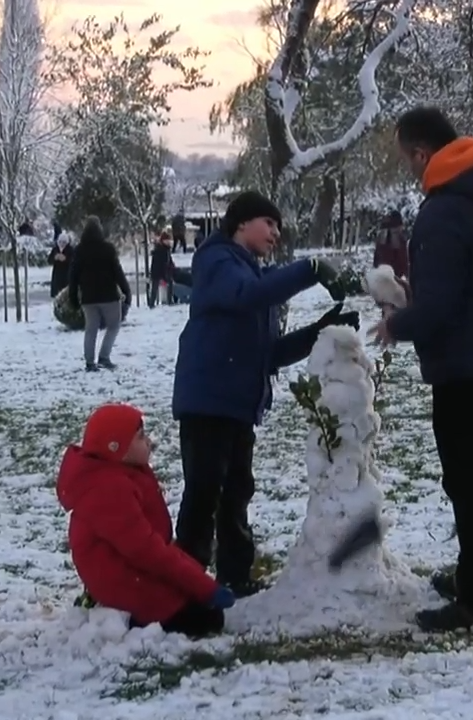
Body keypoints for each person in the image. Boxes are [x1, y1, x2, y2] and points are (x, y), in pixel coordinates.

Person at [368, 106, 473, 632]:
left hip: (467, 368)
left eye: (407, 159)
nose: (410, 170)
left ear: (422, 153)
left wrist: (397, 323)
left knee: (469, 483)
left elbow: (441, 306)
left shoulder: (444, 210)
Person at [171, 190, 355, 597]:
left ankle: (235, 575)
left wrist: (319, 332)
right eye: (268, 223)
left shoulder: (253, 276)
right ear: (241, 223)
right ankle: (184, 586)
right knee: (204, 492)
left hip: (238, 403)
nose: (275, 233)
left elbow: (268, 353)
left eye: (278, 227)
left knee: (237, 490)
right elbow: (245, 296)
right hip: (208, 399)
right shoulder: (216, 260)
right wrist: (309, 269)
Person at [56, 403, 237, 638]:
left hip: (134, 569)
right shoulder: (109, 490)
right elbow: (148, 551)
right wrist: (206, 588)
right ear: (116, 448)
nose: (149, 442)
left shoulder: (123, 473)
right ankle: (128, 621)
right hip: (123, 580)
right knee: (205, 618)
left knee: (197, 601)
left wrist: (198, 581)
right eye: (141, 437)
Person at [68, 216, 132, 372]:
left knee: (91, 329)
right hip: (109, 296)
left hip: (88, 297)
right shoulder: (108, 249)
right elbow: (117, 272)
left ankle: (90, 362)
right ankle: (104, 356)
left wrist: (73, 297)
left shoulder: (79, 250)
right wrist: (126, 291)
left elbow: (73, 275)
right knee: (114, 325)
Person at [373, 211, 409, 281]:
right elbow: (378, 263)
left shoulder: (402, 242)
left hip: (397, 279)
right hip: (384, 278)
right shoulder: (383, 243)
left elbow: (405, 265)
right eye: (394, 231)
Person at [147, 232, 174, 308]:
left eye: (169, 240)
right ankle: (153, 303)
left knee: (158, 286)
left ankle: (154, 303)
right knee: (156, 287)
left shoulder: (165, 249)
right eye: (167, 240)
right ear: (163, 241)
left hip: (161, 271)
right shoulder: (162, 250)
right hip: (158, 271)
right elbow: (163, 263)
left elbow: (169, 261)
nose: (168, 242)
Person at [49, 231, 73, 298]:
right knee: (57, 294)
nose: (62, 244)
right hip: (57, 274)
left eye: (64, 242)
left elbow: (73, 260)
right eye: (60, 242)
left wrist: (66, 259)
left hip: (66, 274)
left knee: (65, 293)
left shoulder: (70, 249)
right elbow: (49, 260)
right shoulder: (55, 249)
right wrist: (55, 258)